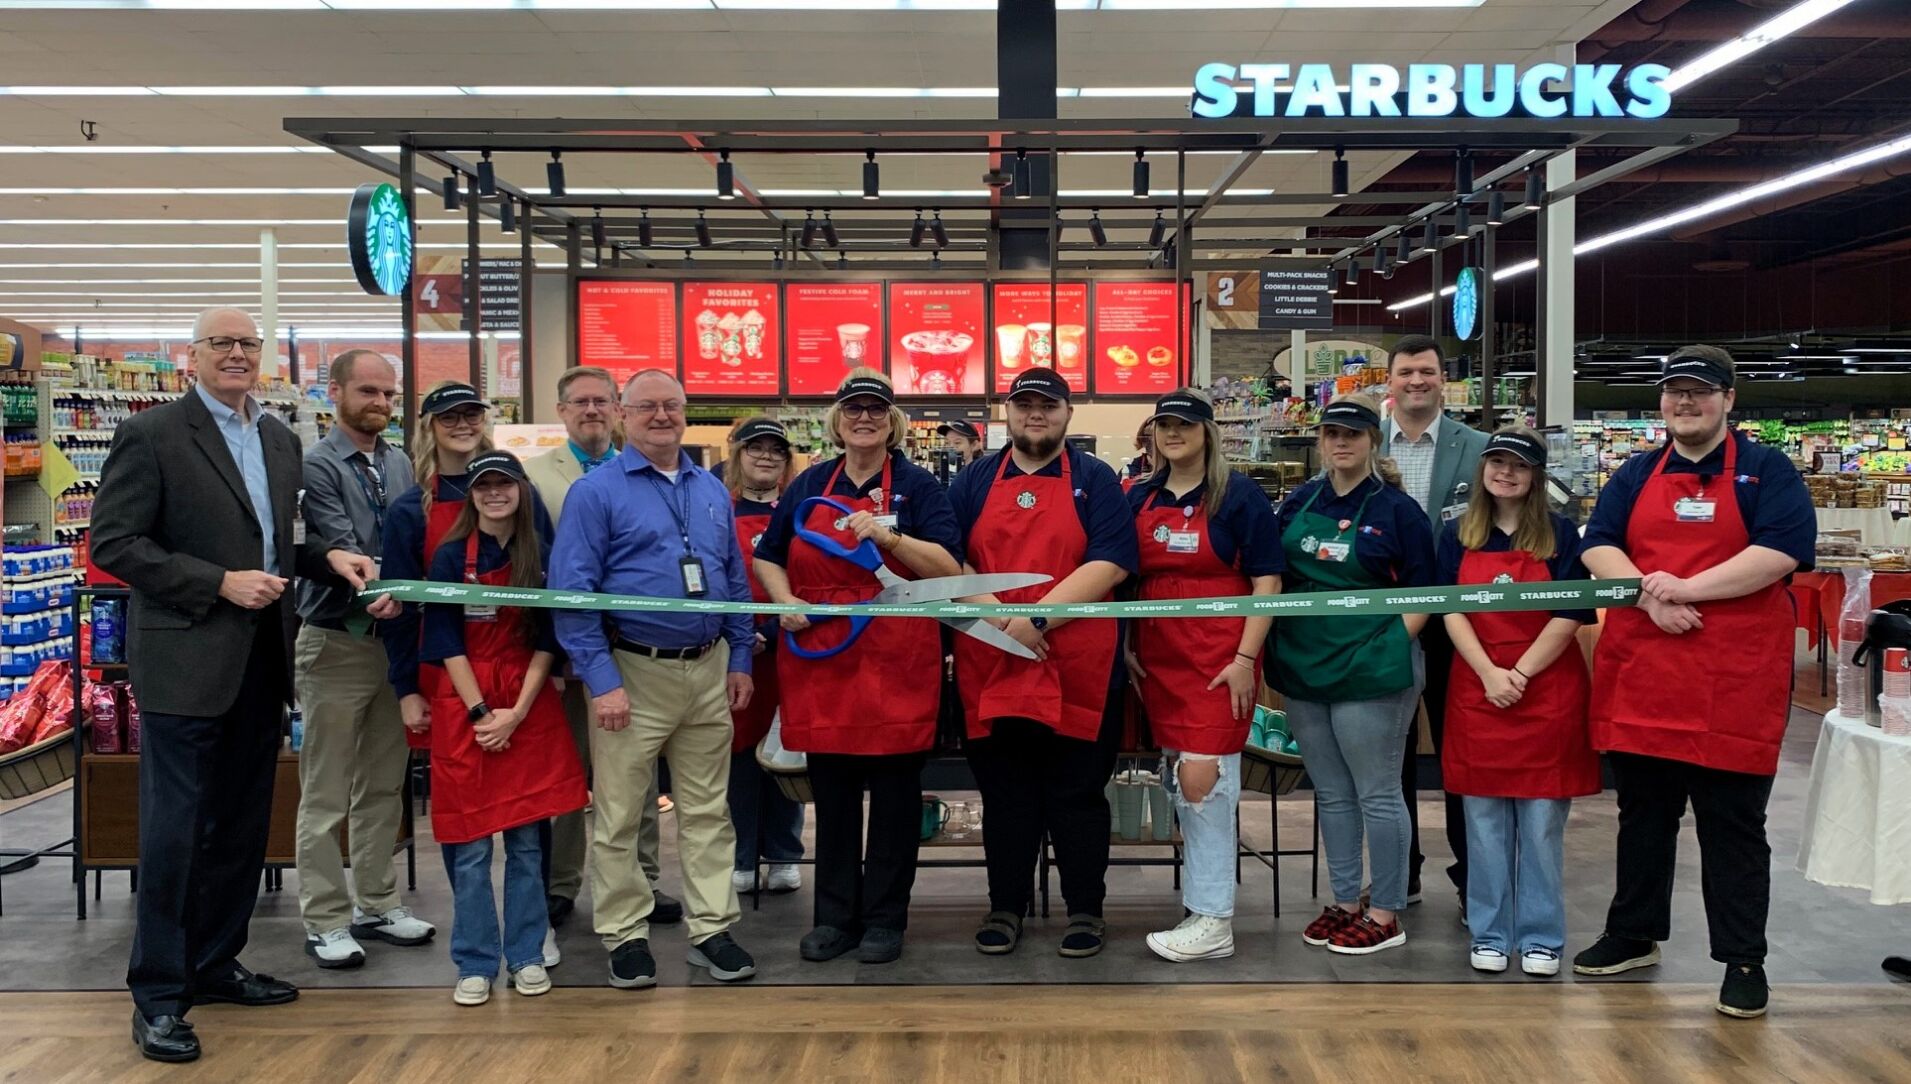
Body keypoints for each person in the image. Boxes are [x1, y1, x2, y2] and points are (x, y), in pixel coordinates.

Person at [92, 307, 388, 1063]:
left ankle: (216, 963)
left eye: (247, 344)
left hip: (263, 660)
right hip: (185, 662)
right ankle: (159, 993)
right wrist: (216, 582)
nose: (236, 355)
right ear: (191, 356)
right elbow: (116, 544)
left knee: (242, 825)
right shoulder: (153, 434)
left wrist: (331, 559)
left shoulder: (278, 439)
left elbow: (284, 538)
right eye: (220, 343)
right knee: (175, 833)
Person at [1572, 346, 1814, 1020]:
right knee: (1642, 814)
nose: (1685, 404)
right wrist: (1647, 597)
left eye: (1699, 393)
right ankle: (1632, 932)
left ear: (1728, 400)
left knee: (1732, 823)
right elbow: (1596, 541)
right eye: (1674, 393)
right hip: (1647, 669)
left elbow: (1778, 553)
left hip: (1730, 679)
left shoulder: (1766, 472)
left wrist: (1684, 589)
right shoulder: (1637, 471)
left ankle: (1742, 958)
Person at [549, 368, 759, 990]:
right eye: (647, 407)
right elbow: (573, 594)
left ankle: (711, 928)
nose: (661, 416)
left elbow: (733, 578)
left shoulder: (711, 488)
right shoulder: (596, 492)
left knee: (707, 811)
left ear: (686, 412)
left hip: (708, 667)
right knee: (617, 813)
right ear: (621, 412)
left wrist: (741, 655)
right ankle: (625, 934)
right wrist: (602, 680)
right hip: (632, 670)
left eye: (672, 406)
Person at [756, 373, 963, 964]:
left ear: (892, 420)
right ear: (838, 420)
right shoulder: (811, 485)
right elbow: (771, 556)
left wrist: (890, 540)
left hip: (897, 659)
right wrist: (787, 601)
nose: (864, 418)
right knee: (835, 797)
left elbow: (947, 566)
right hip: (826, 663)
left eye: (875, 409)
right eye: (854, 409)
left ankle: (885, 920)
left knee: (897, 802)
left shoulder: (919, 488)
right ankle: (835, 918)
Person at [949, 367, 1137, 958]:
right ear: (1006, 411)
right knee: (1005, 794)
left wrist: (1032, 622)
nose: (1037, 414)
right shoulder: (975, 479)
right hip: (992, 661)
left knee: (1078, 794)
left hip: (1078, 660)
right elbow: (948, 561)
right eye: (1025, 404)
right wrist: (1004, 626)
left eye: (1048, 405)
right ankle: (1005, 906)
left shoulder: (1096, 479)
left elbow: (1110, 561)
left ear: (1067, 413)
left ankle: (1086, 910)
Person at [1268, 393, 1436, 957]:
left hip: (1373, 667)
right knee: (1333, 794)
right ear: (1321, 441)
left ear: (1373, 441)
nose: (1342, 443)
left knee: (1379, 793)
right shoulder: (1298, 502)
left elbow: (1426, 593)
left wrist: (1389, 643)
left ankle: (1386, 911)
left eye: (1354, 434)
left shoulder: (1397, 511)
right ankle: (1345, 901)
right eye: (1333, 434)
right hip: (1306, 665)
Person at [419, 451, 589, 1006]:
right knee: (467, 848)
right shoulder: (449, 557)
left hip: (528, 702)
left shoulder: (540, 555)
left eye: (505, 484)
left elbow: (548, 636)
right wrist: (479, 714)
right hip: (464, 703)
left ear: (520, 489)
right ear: (471, 494)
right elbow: (444, 640)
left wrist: (516, 710)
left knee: (525, 844)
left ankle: (527, 955)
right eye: (484, 485)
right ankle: (474, 961)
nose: (496, 493)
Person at [1122, 390, 1283, 963]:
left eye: (1184, 424)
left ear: (1207, 432)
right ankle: (1199, 906)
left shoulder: (1240, 497)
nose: (1173, 433)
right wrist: (1128, 645)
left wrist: (1245, 659)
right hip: (1160, 661)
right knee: (1183, 787)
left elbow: (1268, 581)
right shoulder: (1139, 495)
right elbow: (1126, 580)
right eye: (1164, 424)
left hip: (1220, 660)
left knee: (1205, 782)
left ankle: (1215, 920)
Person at [1436, 427, 1598, 979]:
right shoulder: (1457, 533)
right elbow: (1448, 607)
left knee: (1541, 824)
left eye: (1518, 466)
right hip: (1478, 689)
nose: (1505, 472)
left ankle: (1541, 936)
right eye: (1497, 462)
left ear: (1535, 476)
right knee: (1481, 823)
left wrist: (1520, 674)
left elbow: (1571, 613)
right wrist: (1488, 673)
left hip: (1545, 690)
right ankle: (1489, 931)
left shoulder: (1560, 535)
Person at [525, 366, 681, 930]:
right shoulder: (533, 475)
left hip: (633, 652)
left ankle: (642, 881)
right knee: (571, 770)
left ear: (619, 409)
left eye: (602, 401)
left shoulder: (642, 469)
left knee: (634, 778)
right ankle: (563, 883)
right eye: (580, 402)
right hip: (563, 654)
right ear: (562, 411)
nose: (592, 410)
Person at [293, 349, 435, 970]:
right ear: (335, 392)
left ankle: (375, 902)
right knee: (324, 790)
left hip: (393, 645)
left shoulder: (399, 459)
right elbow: (337, 542)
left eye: (388, 393)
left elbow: (407, 539)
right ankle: (324, 917)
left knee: (382, 782)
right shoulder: (316, 465)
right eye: (368, 392)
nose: (380, 403)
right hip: (336, 641)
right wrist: (381, 586)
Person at [1381, 333, 1488, 908]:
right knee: (1388, 751)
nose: (1416, 381)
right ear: (1389, 381)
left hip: (1457, 624)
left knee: (1458, 749)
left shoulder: (1480, 447)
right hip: (1384, 622)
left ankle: (1473, 876)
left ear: (1442, 379)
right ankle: (1403, 873)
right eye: (1406, 372)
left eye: (1426, 371)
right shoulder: (1360, 441)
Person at [720, 416, 805, 898]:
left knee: (785, 749)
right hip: (733, 655)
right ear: (739, 454)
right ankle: (743, 854)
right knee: (738, 758)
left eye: (776, 450)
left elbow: (809, 580)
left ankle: (785, 853)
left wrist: (769, 633)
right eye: (757, 449)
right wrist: (737, 636)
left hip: (786, 648)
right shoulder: (718, 510)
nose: (767, 457)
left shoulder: (795, 511)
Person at [1122, 419, 1155, 491]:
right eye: (1147, 437)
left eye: (1155, 436)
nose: (1152, 441)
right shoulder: (1133, 467)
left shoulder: (1176, 467)